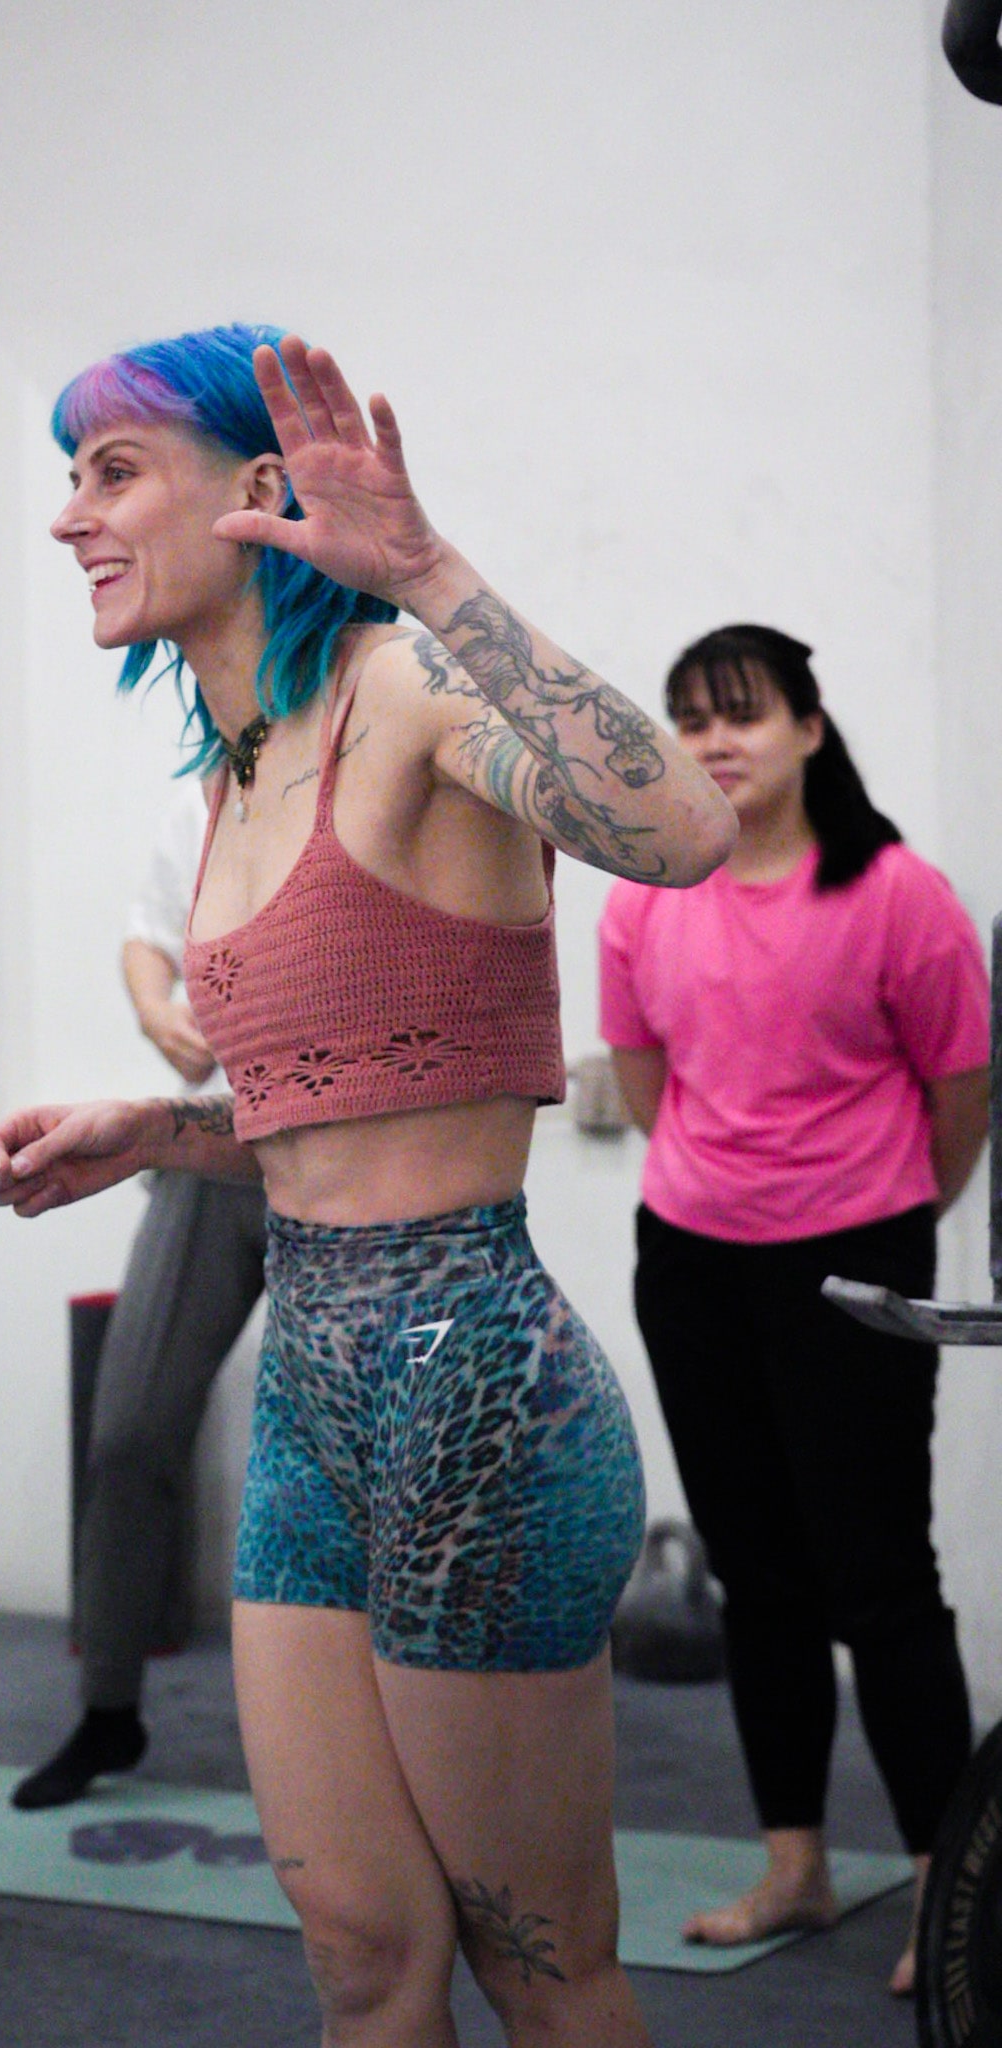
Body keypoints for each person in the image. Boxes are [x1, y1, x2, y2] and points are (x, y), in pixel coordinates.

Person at [0, 324, 735, 2047]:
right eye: (69, 477)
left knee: (541, 1962)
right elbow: (334, 1107)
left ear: (256, 491)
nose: (69, 517)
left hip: (470, 1387)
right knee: (363, 1954)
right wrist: (150, 1130)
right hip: (315, 1397)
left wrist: (429, 567)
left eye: (111, 473)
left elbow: (680, 831)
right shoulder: (235, 766)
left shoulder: (402, 687)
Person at [599, 623, 988, 1998]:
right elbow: (644, 1082)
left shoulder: (898, 894)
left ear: (810, 728)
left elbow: (960, 1094)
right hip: (693, 1261)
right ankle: (795, 1864)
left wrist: (875, 1209)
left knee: (881, 1579)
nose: (715, 741)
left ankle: (948, 1888)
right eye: (692, 717)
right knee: (756, 1573)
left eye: (743, 713)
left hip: (856, 1263)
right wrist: (732, 1190)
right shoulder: (646, 895)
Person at [12, 779, 268, 1810]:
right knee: (128, 1431)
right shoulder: (208, 799)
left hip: (351, 1155)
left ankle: (394, 1728)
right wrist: (158, 1013)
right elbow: (147, 935)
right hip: (209, 1145)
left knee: (360, 1454)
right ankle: (108, 1710)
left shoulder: (378, 768)